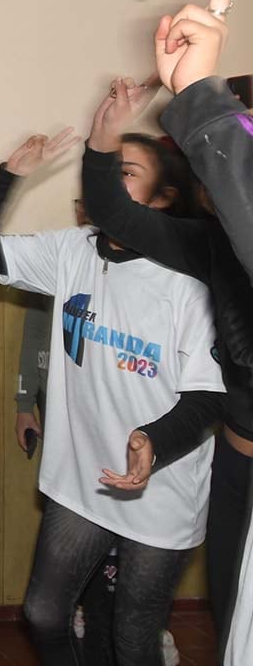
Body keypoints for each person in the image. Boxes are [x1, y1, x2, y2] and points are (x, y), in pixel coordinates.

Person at [0, 114, 224, 666]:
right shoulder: (73, 249)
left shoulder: (190, 283)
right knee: (44, 614)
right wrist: (10, 174)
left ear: (163, 199)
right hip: (82, 481)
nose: (102, 184)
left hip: (159, 488)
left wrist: (153, 441)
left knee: (132, 639)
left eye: (124, 173)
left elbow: (208, 399)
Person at [79, 74, 253, 655]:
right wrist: (104, 136)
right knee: (233, 624)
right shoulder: (209, 242)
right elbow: (115, 213)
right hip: (236, 461)